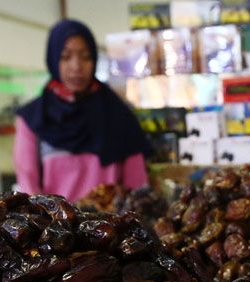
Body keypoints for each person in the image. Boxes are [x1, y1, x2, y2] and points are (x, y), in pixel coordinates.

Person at [15, 19, 150, 202]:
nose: (76, 66)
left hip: (109, 228)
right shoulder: (33, 119)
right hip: (56, 228)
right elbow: (28, 187)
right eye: (65, 57)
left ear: (94, 59)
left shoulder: (118, 113)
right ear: (53, 59)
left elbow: (137, 186)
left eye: (85, 56)